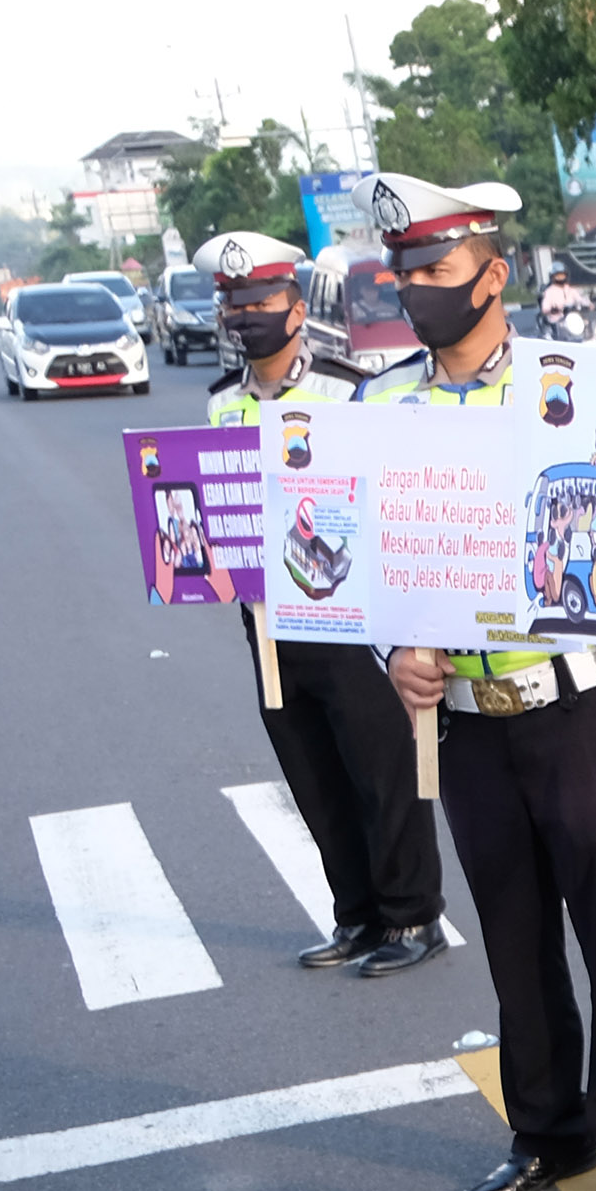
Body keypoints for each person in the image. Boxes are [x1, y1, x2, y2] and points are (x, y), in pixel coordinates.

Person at [365, 173, 596, 1191]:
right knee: (512, 934)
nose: (415, 288)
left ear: (494, 273)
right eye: (403, 271)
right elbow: (364, 569)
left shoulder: (574, 387)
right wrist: (393, 655)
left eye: (436, 269)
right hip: (462, 722)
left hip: (574, 704)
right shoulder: (382, 406)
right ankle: (545, 1129)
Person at [203, 230, 441, 979]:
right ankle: (357, 914)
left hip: (349, 616)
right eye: (233, 304)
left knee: (381, 770)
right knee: (314, 777)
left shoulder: (346, 390)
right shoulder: (218, 404)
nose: (246, 317)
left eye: (261, 302)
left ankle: (413, 917)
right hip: (269, 625)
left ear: (297, 309)